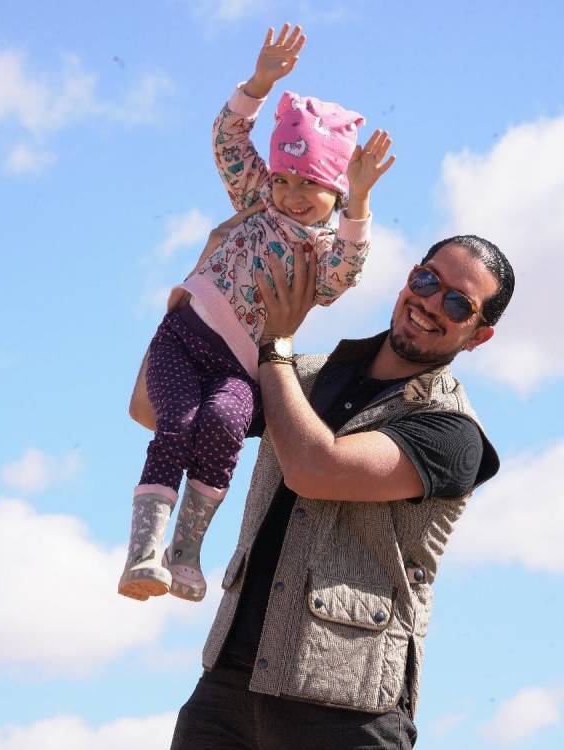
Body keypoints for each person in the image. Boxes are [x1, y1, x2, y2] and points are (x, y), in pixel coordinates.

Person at [130, 231, 513, 749]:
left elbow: (314, 468)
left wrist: (274, 345)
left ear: (478, 336)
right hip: (225, 691)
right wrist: (199, 290)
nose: (429, 303)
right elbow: (150, 409)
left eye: (457, 303)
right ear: (409, 278)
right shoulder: (301, 376)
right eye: (427, 280)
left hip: (347, 713)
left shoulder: (453, 432)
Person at [118, 23, 395, 603]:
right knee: (178, 422)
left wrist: (362, 200)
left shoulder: (321, 253)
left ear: (335, 192)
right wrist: (259, 83)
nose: (290, 193)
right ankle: (143, 552)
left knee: (224, 426)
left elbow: (344, 274)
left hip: (238, 367)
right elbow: (228, 139)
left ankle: (186, 554)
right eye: (283, 177)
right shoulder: (256, 201)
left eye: (309, 184)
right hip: (185, 338)